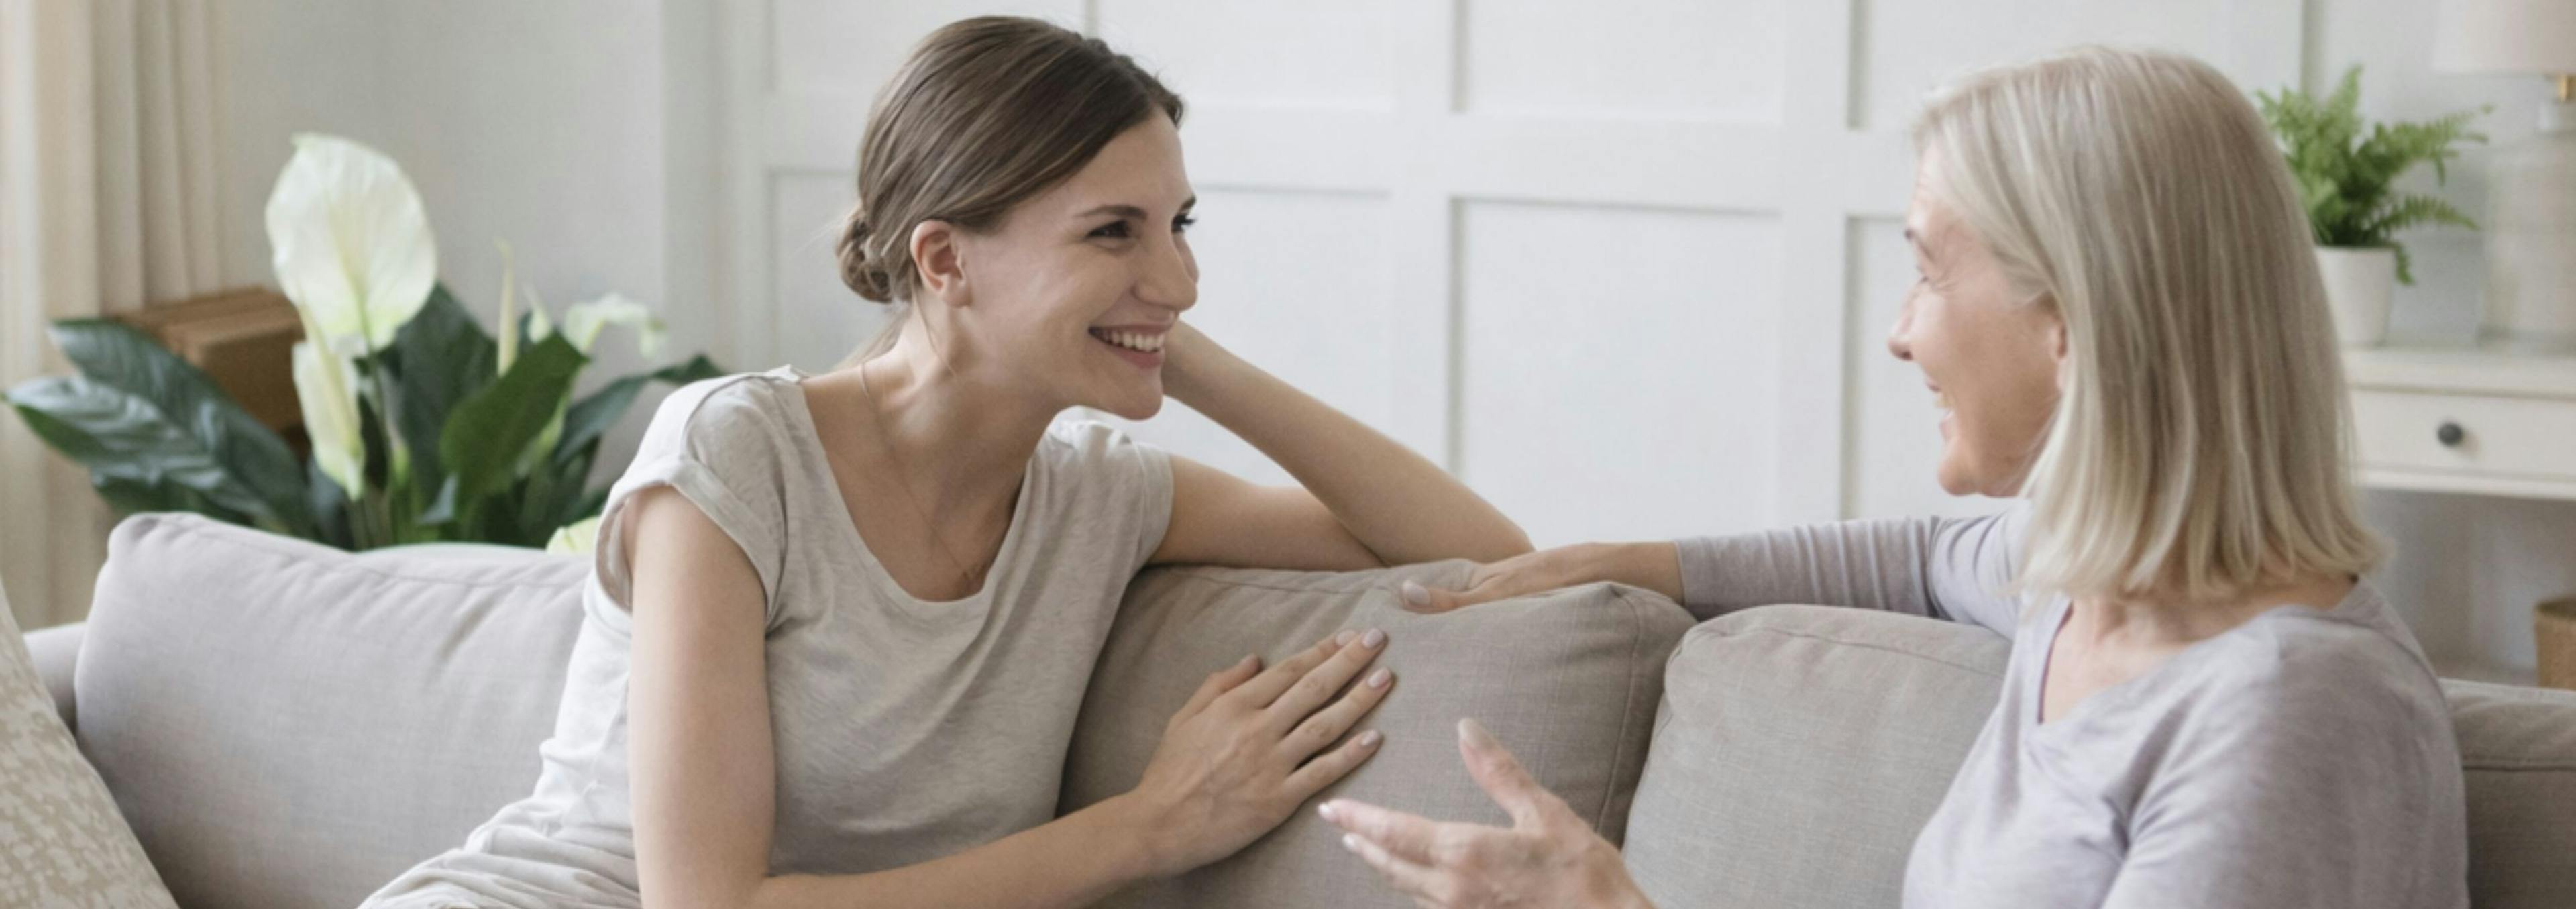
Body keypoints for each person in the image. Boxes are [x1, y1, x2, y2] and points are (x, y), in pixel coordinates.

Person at [362, 17, 1530, 908]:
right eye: (1112, 231)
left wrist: (1184, 354)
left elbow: (1482, 550)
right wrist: (1151, 827)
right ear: (945, 261)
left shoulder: (1099, 498)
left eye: (1179, 225)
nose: (1180, 277)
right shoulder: (739, 457)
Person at [1320, 46, 2468, 909]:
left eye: (1927, 272)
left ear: (2073, 323)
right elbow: (1918, 559)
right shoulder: (2084, 581)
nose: (1900, 332)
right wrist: (1621, 562)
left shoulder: (2288, 716)